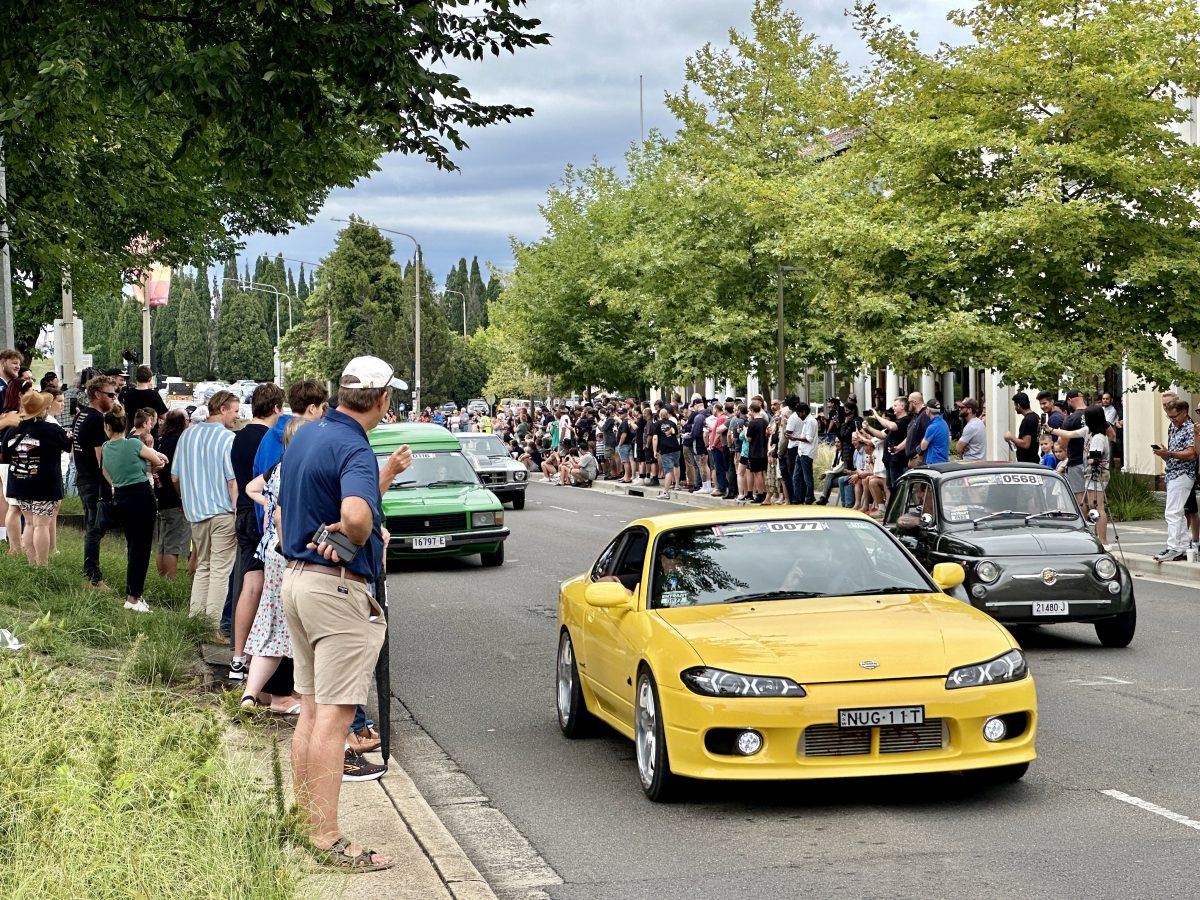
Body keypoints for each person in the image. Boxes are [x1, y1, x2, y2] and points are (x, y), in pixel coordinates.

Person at [280, 355, 413, 872]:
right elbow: (356, 515)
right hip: (335, 592)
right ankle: (327, 837)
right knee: (335, 719)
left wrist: (341, 527)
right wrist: (354, 534)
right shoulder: (355, 446)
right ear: (382, 400)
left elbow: (305, 505)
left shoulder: (308, 434)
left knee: (311, 711)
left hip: (296, 580)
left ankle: (304, 822)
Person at [241, 416, 310, 714]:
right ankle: (283, 696)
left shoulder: (277, 468)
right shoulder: (299, 471)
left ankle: (253, 694)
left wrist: (265, 502)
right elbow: (285, 517)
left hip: (268, 549)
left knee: (271, 622)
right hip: (287, 552)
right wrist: (291, 549)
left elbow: (250, 488)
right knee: (289, 627)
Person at [228, 383, 284, 682]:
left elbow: (238, 481)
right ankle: (258, 659)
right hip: (261, 514)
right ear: (276, 408)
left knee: (249, 585)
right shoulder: (270, 439)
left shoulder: (239, 438)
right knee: (264, 591)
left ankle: (238, 657)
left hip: (242, 511)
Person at [174, 390, 240, 639]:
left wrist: (186, 499)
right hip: (223, 512)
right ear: (222, 409)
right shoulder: (227, 439)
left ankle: (195, 621)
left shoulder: (187, 435)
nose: (237, 416)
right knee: (221, 571)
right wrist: (237, 511)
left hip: (195, 512)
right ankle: (212, 627)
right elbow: (232, 481)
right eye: (234, 411)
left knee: (203, 567)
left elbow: (175, 477)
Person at [101, 406, 168, 612]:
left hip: (121, 495)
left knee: (133, 546)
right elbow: (157, 460)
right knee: (142, 548)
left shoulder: (105, 447)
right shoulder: (132, 444)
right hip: (141, 494)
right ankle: (133, 597)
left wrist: (117, 483)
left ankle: (134, 593)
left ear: (107, 427)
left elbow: (105, 471)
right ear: (125, 424)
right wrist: (155, 465)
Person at [6, 391, 71, 565]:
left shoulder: (14, 429)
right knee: (41, 525)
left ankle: (31, 562)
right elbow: (68, 445)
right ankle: (42, 566)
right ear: (42, 410)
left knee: (29, 523)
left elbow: (5, 452)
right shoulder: (52, 429)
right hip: (44, 484)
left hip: (20, 481)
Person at [72, 375, 119, 589]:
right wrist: (114, 483)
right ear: (97, 395)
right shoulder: (95, 419)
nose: (114, 397)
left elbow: (75, 449)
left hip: (83, 477)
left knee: (93, 527)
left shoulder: (81, 415)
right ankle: (93, 577)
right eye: (110, 394)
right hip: (94, 481)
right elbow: (102, 458)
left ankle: (91, 573)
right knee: (95, 528)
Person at [1151, 399, 1195, 562]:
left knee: (1172, 512)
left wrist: (1169, 454)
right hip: (1173, 472)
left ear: (1184, 412)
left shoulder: (1190, 429)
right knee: (1177, 512)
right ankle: (1181, 546)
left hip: (1183, 472)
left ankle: (1174, 547)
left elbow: (1191, 453)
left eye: (1174, 416)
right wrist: (1166, 454)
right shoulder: (1173, 428)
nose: (1172, 420)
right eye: (1169, 417)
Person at [154, 409, 191, 580]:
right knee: (173, 545)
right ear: (182, 422)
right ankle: (170, 582)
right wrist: (182, 498)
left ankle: (162, 579)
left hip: (161, 495)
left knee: (163, 543)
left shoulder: (162, 441)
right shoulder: (178, 442)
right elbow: (178, 475)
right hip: (174, 498)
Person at [789, 402, 818, 504]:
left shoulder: (810, 421)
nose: (798, 415)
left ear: (804, 412)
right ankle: (798, 497)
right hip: (802, 452)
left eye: (799, 413)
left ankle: (809, 497)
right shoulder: (807, 421)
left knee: (807, 477)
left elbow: (809, 438)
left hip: (807, 452)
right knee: (796, 476)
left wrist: (794, 438)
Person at [1004, 392, 1042, 464]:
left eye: (1015, 405)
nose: (1015, 408)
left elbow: (1026, 444)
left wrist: (1011, 437)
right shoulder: (1036, 417)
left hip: (1027, 463)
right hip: (1033, 460)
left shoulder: (1027, 420)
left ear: (1018, 405)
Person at [920, 399, 951, 464]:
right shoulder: (944, 423)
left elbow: (923, 447)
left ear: (928, 410)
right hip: (944, 461)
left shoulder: (932, 427)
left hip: (933, 463)